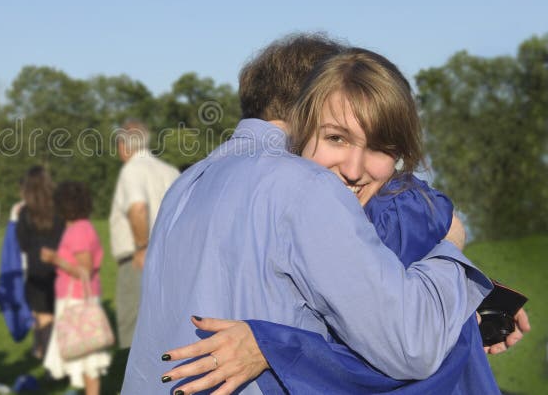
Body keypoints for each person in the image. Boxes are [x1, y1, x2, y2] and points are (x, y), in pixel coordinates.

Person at [122, 35, 493, 394]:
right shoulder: (307, 185)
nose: (353, 166)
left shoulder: (186, 185)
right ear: (311, 102)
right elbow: (411, 344)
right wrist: (451, 246)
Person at [108, 119, 179, 350]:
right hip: (169, 257)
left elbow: (138, 208)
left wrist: (141, 247)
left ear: (125, 145)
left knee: (136, 331)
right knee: (164, 326)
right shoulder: (169, 171)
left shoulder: (132, 171)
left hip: (140, 258)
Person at [41, 181, 111, 395]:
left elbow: (85, 269)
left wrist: (55, 259)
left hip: (77, 301)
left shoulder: (78, 230)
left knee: (87, 358)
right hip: (80, 298)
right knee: (83, 357)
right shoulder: (83, 227)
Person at [15, 166, 65, 360]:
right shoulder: (59, 209)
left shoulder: (25, 212)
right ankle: (50, 355)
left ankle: (48, 360)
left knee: (42, 317)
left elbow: (23, 243)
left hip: (36, 270)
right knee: (54, 315)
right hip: (58, 265)